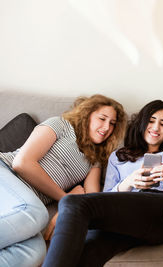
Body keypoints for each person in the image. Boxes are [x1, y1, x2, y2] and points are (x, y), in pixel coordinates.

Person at [43, 100, 163, 267]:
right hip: (126, 218)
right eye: (151, 121)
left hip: (161, 212)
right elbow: (105, 198)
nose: (156, 128)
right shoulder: (118, 157)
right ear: (142, 123)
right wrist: (128, 182)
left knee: (71, 202)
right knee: (87, 252)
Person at [0, 94, 127, 267]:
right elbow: (22, 163)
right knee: (36, 213)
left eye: (112, 124)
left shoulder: (95, 159)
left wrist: (70, 208)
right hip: (5, 172)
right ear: (87, 115)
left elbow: (92, 202)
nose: (106, 127)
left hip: (20, 203)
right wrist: (66, 198)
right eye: (102, 118)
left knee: (35, 252)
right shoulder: (61, 125)